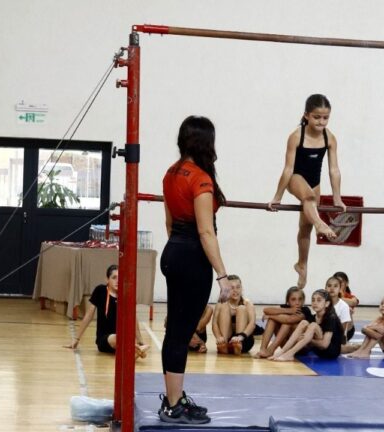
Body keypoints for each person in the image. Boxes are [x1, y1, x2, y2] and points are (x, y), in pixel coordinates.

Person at [158, 115, 232, 425]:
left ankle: (175, 397)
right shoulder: (200, 179)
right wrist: (223, 275)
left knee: (175, 331)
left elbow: (169, 223)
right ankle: (174, 404)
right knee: (180, 334)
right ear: (206, 143)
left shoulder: (171, 173)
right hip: (192, 257)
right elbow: (206, 233)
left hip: (174, 252)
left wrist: (180, 254)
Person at [268, 94, 346, 289]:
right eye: (317, 117)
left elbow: (334, 170)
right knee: (309, 199)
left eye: (325, 117)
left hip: (315, 182)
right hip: (295, 178)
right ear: (306, 116)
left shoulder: (330, 138)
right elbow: (287, 169)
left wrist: (337, 197)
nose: (321, 122)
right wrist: (277, 196)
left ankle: (302, 265)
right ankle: (321, 223)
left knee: (305, 227)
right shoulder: (296, 136)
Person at [64, 264, 149, 358]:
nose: (117, 281)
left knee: (124, 340)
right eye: (114, 277)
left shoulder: (126, 294)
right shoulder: (100, 290)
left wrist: (140, 341)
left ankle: (135, 351)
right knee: (117, 338)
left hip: (122, 338)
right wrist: (77, 339)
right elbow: (88, 316)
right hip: (105, 340)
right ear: (107, 279)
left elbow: (133, 318)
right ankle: (135, 351)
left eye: (120, 278)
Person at [269, 289, 343, 361]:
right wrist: (302, 337)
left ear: (327, 303)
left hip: (330, 353)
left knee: (313, 325)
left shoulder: (331, 317)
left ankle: (290, 353)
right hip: (318, 352)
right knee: (304, 322)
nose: (315, 303)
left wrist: (309, 339)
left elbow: (324, 345)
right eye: (313, 300)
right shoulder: (313, 317)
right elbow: (306, 337)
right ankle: (282, 351)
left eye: (319, 300)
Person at [255, 286, 314, 359]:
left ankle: (271, 350)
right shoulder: (287, 307)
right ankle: (263, 349)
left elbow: (289, 320)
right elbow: (266, 310)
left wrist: (270, 316)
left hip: (300, 347)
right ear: (288, 301)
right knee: (272, 321)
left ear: (303, 300)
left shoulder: (305, 310)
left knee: (286, 324)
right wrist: (288, 310)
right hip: (285, 345)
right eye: (293, 299)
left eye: (300, 299)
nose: (297, 302)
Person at [212, 275, 257, 355]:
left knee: (241, 309)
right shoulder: (221, 304)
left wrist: (241, 337)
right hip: (228, 339)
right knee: (224, 305)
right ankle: (224, 344)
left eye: (238, 287)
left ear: (241, 288)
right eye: (232, 288)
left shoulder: (248, 304)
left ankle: (237, 345)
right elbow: (214, 323)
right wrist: (219, 337)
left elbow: (252, 324)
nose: (235, 290)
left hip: (244, 339)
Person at [325, 276, 353, 342]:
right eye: (329, 286)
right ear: (325, 288)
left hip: (336, 339)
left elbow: (342, 330)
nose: (332, 288)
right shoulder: (322, 303)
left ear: (340, 289)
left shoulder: (344, 306)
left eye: (335, 286)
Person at [333, 271, 359, 340]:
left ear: (346, 283)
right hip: (332, 327)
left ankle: (343, 338)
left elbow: (354, 302)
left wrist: (339, 297)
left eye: (341, 282)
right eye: (336, 282)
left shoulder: (350, 296)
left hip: (348, 329)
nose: (338, 284)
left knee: (347, 309)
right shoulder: (329, 295)